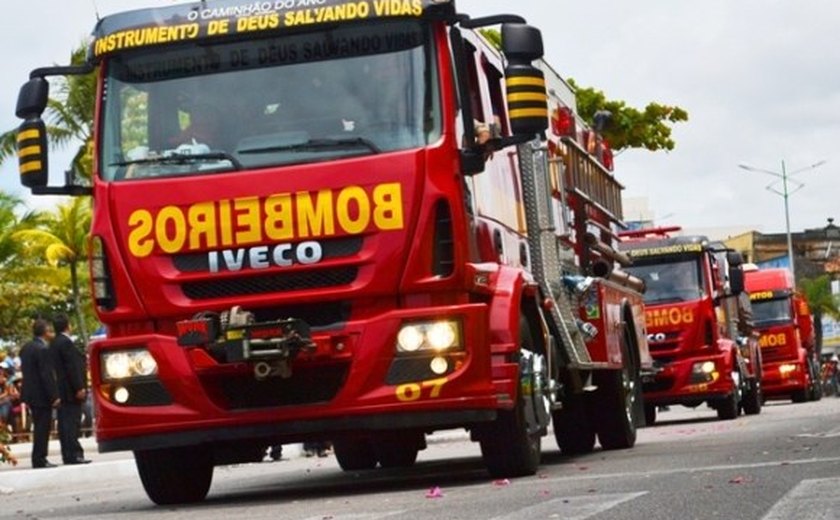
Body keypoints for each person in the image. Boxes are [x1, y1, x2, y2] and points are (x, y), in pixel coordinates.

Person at [49, 314, 90, 465]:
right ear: (68, 326)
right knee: (71, 423)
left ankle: (68, 454)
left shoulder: (53, 343)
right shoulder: (65, 343)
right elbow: (71, 367)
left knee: (64, 423)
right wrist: (79, 387)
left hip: (61, 390)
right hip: (70, 390)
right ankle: (74, 454)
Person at [20, 318, 60, 468]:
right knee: (43, 427)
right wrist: (54, 396)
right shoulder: (42, 349)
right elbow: (46, 375)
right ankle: (40, 458)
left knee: (38, 425)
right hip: (41, 394)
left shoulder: (26, 348)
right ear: (45, 332)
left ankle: (38, 457)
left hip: (30, 392)